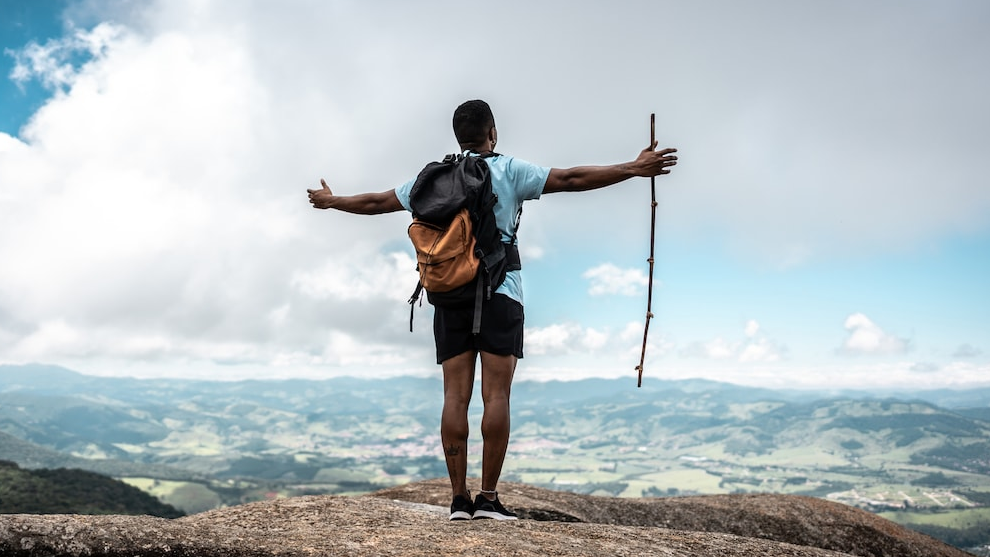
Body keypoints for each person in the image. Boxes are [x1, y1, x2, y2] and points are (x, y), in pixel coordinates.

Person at [308, 99, 677, 520]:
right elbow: (572, 178)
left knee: (454, 396)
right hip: (501, 291)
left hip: (448, 297)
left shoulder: (429, 180)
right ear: (493, 133)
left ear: (457, 136)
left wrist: (332, 201)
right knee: (496, 394)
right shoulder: (508, 170)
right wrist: (632, 167)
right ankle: (487, 499)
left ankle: (457, 501)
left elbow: (375, 203)